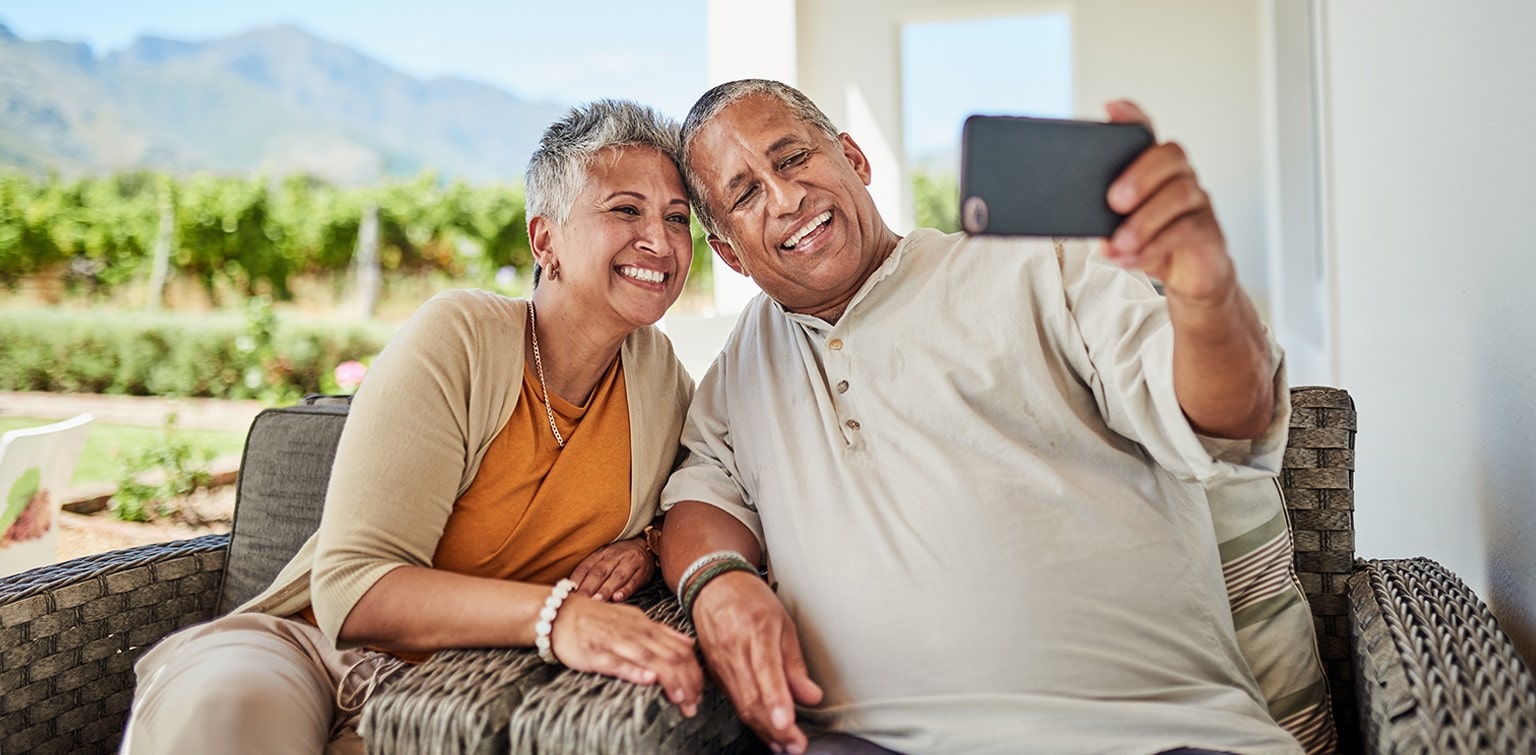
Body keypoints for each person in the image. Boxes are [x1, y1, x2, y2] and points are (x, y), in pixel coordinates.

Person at [657, 79, 1299, 754]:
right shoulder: (740, 368)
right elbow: (702, 496)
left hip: (1151, 736)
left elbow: (1228, 417)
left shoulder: (1039, 261)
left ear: (854, 159)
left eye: (793, 159)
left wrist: (1207, 289)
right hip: (866, 743)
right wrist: (717, 581)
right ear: (728, 251)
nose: (786, 199)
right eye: (747, 193)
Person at [122, 99, 705, 754]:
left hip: (461, 693)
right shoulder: (461, 335)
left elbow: (712, 499)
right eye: (626, 209)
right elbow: (352, 588)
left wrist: (648, 546)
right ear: (546, 240)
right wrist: (556, 615)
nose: (660, 238)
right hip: (313, 654)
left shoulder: (661, 379)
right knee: (231, 711)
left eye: (677, 217)